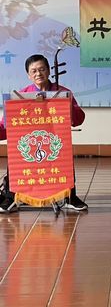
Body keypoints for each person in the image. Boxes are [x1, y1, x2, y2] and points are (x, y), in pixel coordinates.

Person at [0, 54, 87, 213]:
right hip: (31, 142)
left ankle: (70, 197)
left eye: (41, 69)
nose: (38, 74)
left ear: (48, 71)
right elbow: (6, 125)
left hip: (54, 141)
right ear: (28, 74)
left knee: (63, 155)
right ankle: (11, 198)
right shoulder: (20, 96)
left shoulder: (63, 92)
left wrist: (68, 107)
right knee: (16, 155)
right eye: (33, 71)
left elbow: (79, 119)